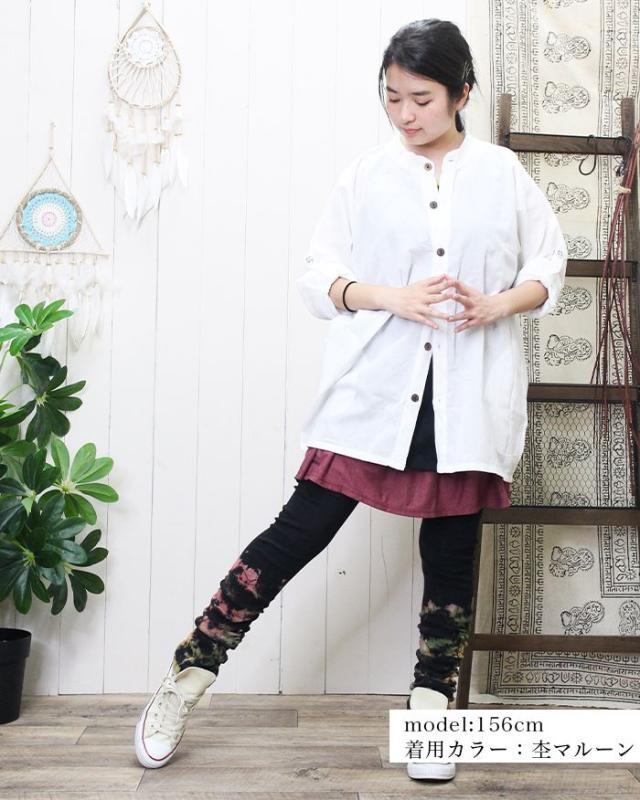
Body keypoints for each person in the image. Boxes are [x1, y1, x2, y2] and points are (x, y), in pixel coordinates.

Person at [134, 18, 567, 783]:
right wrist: (389, 295)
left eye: (421, 99)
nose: (405, 114)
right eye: (392, 97)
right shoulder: (367, 175)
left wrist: (498, 303)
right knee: (294, 535)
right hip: (374, 392)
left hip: (466, 398)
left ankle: (432, 713)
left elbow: (548, 264)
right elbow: (318, 277)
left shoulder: (503, 176)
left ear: (462, 92)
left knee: (450, 558)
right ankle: (190, 672)